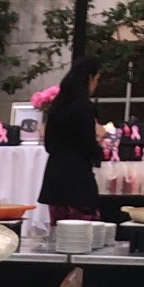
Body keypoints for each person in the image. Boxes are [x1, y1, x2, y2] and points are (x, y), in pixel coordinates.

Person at [37, 54, 105, 225]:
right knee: (82, 233)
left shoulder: (56, 105)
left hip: (54, 178)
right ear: (90, 78)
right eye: (97, 78)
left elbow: (49, 144)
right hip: (78, 180)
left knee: (58, 234)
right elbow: (88, 145)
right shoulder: (84, 107)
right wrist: (100, 145)